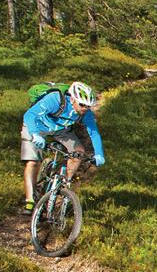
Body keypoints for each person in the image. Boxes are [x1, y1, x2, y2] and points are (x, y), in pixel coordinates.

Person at [20, 81, 105, 211]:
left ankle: (64, 184)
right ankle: (30, 200)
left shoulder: (86, 112)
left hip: (60, 130)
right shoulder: (55, 100)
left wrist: (99, 153)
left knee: (78, 152)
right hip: (36, 125)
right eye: (82, 105)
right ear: (72, 99)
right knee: (33, 161)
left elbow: (93, 132)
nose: (85, 109)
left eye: (88, 106)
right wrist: (35, 134)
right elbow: (29, 115)